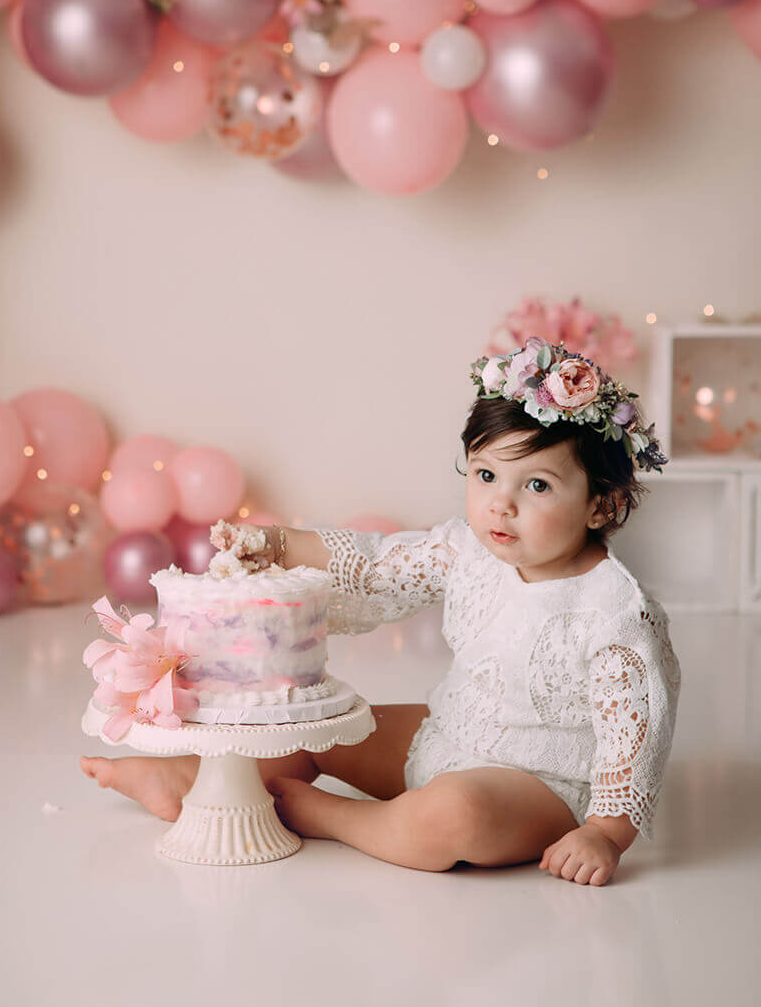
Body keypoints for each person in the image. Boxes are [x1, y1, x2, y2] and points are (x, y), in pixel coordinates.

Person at [81, 336, 681, 886]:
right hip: (447, 735)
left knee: (453, 815)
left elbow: (637, 734)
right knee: (315, 729)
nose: (501, 505)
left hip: (538, 786)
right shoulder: (467, 549)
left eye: (538, 486)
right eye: (487, 474)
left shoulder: (615, 615)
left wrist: (605, 831)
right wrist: (279, 544)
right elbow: (374, 565)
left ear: (602, 505)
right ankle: (195, 782)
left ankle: (332, 817)